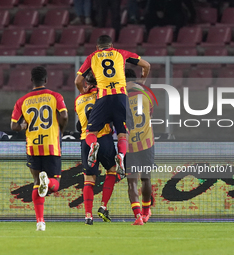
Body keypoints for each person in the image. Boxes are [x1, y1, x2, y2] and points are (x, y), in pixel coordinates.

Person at [75, 35, 151, 179]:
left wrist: (83, 91)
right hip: (121, 97)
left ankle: (93, 146)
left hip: (103, 97)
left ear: (97, 48)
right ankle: (121, 155)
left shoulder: (92, 57)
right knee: (123, 133)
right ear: (112, 45)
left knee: (91, 131)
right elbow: (146, 65)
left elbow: (78, 80)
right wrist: (141, 81)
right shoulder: (121, 53)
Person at [11, 66, 68, 231]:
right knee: (55, 182)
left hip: (33, 145)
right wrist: (60, 131)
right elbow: (64, 115)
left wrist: (23, 125)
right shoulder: (55, 96)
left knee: (36, 182)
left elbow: (14, 126)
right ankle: (48, 181)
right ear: (46, 80)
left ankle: (40, 222)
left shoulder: (22, 101)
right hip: (51, 143)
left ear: (31, 81)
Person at [75, 71, 118, 225]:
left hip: (85, 139)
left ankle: (88, 215)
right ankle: (103, 205)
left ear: (86, 83)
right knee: (112, 170)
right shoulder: (104, 97)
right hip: (104, 136)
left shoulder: (78, 100)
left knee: (89, 179)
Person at [125, 69, 154, 225]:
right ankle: (145, 213)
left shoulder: (121, 98)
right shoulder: (146, 94)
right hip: (146, 141)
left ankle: (137, 217)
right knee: (146, 178)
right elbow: (150, 113)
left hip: (129, 144)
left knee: (132, 181)